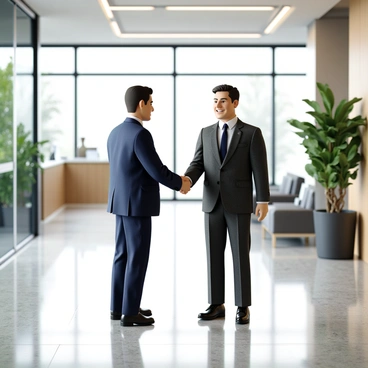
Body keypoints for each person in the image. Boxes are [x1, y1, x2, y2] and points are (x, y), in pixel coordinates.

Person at [184, 84, 270, 324]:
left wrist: (262, 199)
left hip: (240, 203)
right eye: (214, 101)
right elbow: (198, 162)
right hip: (212, 203)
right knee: (213, 254)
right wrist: (188, 179)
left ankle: (242, 306)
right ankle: (216, 304)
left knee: (240, 255)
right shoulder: (205, 132)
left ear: (235, 103)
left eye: (222, 101)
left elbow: (260, 169)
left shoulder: (251, 133)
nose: (217, 105)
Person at [107, 85, 191, 327]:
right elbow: (155, 170)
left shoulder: (115, 132)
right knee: (137, 257)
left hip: (120, 202)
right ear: (141, 104)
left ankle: (118, 307)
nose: (153, 107)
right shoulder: (140, 134)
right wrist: (181, 183)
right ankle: (130, 313)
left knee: (121, 255)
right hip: (138, 205)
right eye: (151, 103)